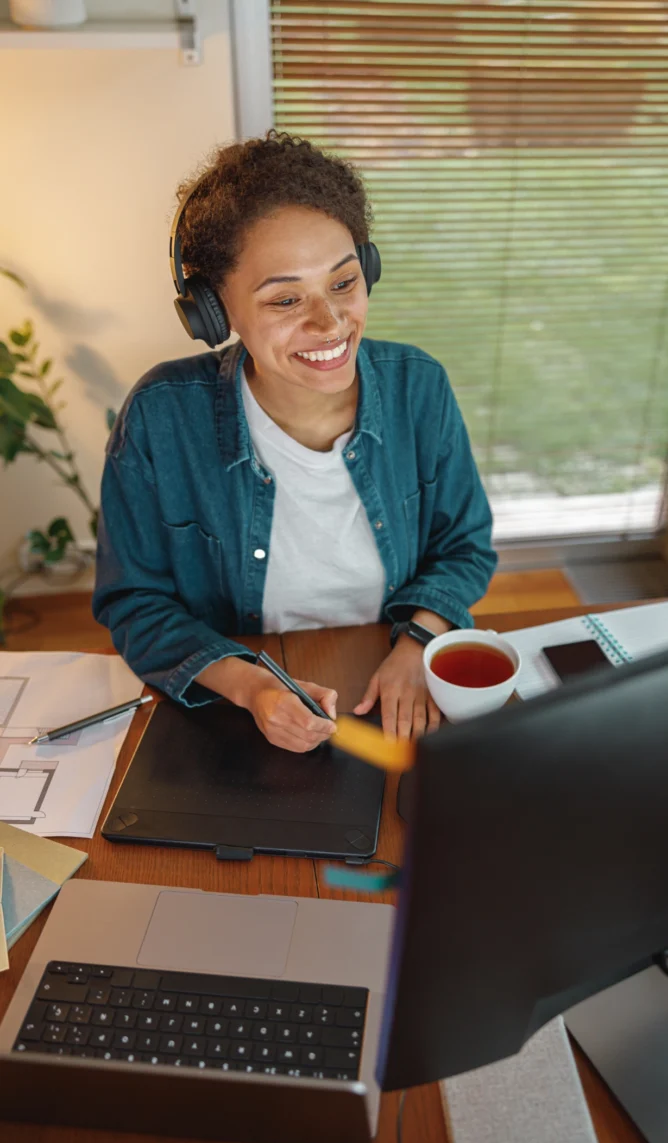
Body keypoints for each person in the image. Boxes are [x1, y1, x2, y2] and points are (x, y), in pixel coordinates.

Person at [93, 132, 496, 753]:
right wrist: (250, 687)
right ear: (213, 311)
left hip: (391, 667)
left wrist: (419, 641)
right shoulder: (161, 417)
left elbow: (464, 547)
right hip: (244, 696)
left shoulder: (420, 386)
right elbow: (134, 600)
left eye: (343, 282)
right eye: (285, 298)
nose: (330, 323)